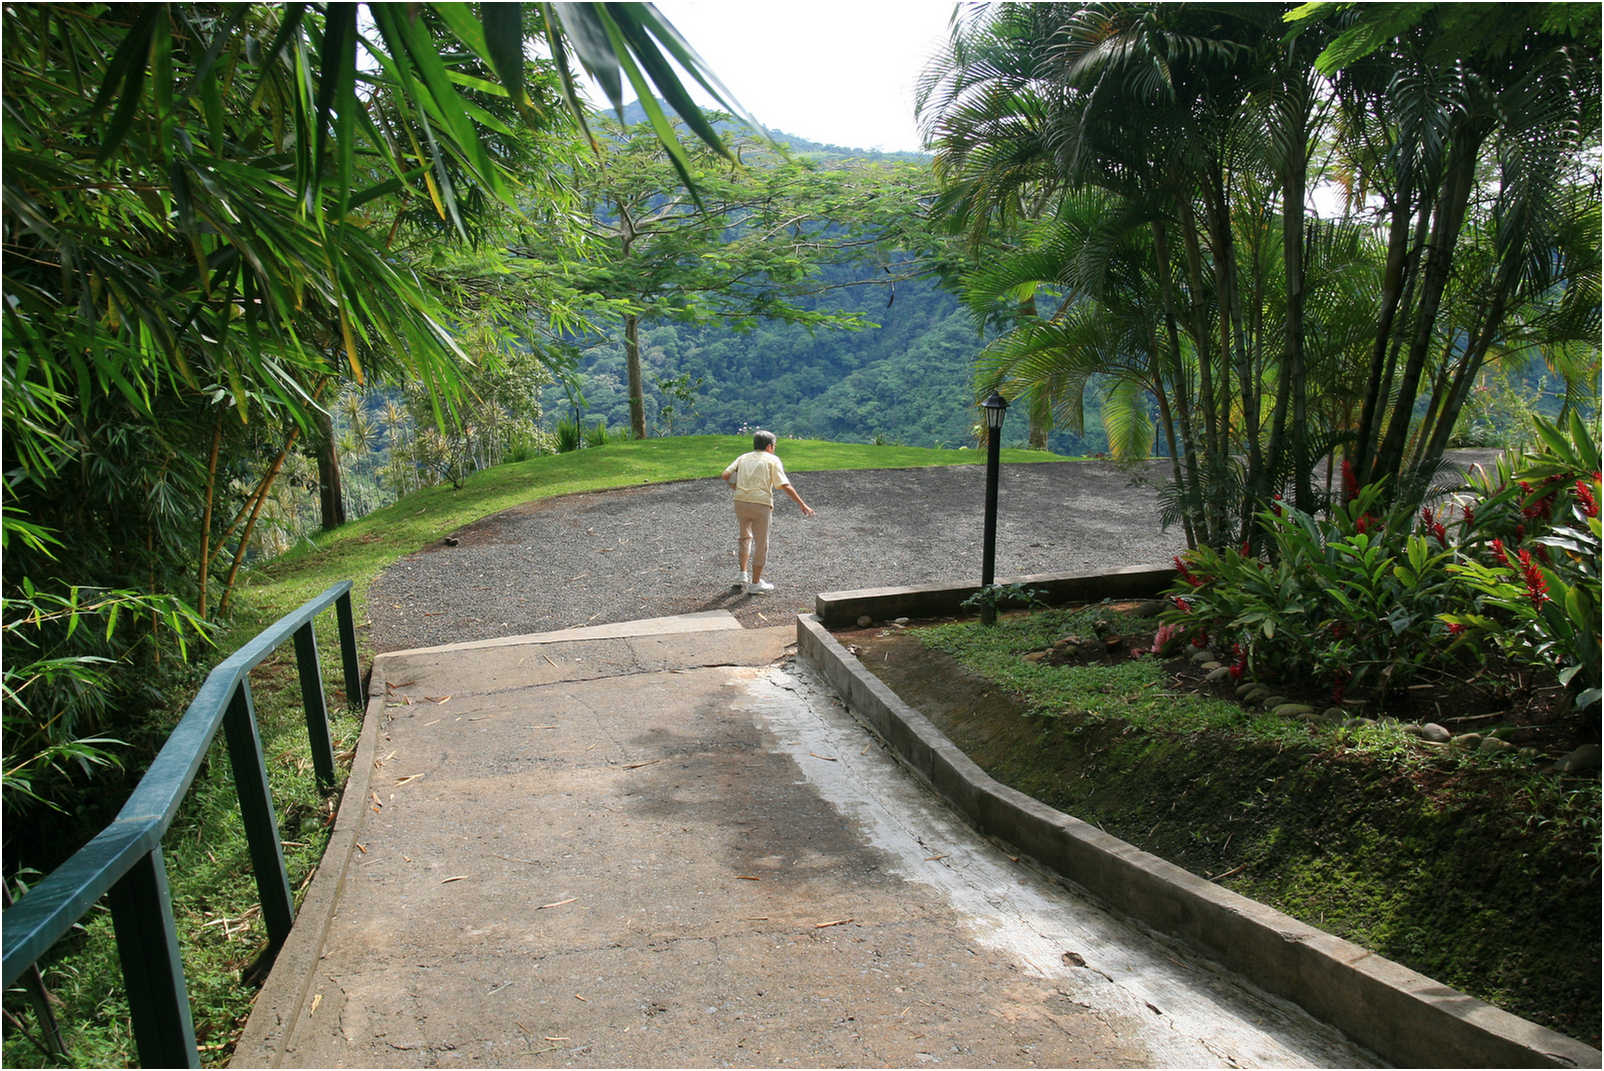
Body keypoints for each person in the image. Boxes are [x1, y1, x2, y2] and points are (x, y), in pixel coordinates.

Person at [721, 429, 814, 594]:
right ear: (770, 446)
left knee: (744, 537)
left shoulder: (743, 457)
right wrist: (802, 504)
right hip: (761, 504)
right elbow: (784, 484)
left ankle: (742, 574)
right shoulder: (772, 460)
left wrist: (736, 487)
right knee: (761, 543)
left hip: (740, 502)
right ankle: (755, 583)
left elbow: (726, 474)